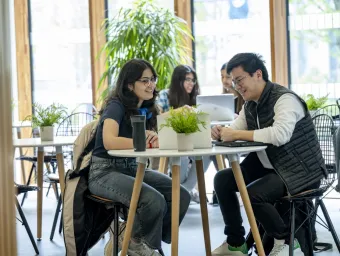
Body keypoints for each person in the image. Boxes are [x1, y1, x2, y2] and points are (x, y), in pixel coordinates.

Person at [211, 53, 327, 256]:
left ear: (257, 74)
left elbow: (279, 135)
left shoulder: (285, 99)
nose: (237, 86)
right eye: (234, 82)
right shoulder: (250, 105)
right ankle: (236, 243)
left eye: (239, 80)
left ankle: (288, 241)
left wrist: (235, 134)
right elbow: (234, 130)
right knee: (222, 179)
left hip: (300, 170)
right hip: (272, 166)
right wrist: (221, 132)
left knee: (253, 194)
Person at [88, 59, 191, 256]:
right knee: (153, 200)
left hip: (133, 168)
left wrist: (157, 134)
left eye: (152, 79)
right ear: (129, 84)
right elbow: (109, 141)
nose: (151, 85)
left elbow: (158, 136)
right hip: (104, 172)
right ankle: (139, 244)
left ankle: (133, 238)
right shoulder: (116, 106)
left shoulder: (148, 108)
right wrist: (143, 140)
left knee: (181, 195)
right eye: (144, 81)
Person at [157, 65, 210, 203]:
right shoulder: (164, 95)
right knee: (183, 153)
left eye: (193, 80)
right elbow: (157, 119)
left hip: (193, 141)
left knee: (208, 153)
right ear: (178, 80)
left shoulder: (195, 98)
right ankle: (185, 192)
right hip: (171, 140)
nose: (191, 83)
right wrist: (179, 111)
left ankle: (182, 192)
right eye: (187, 79)